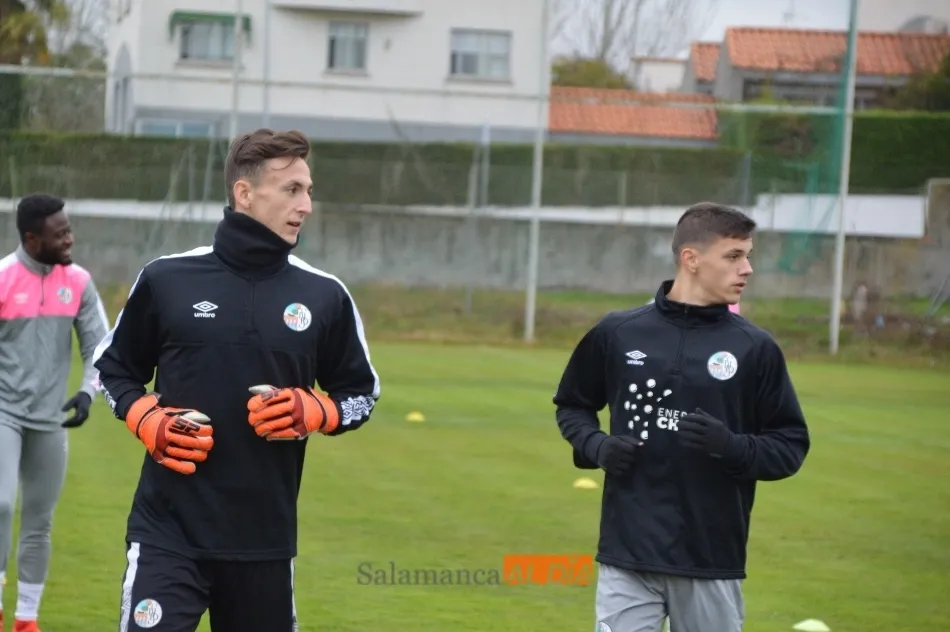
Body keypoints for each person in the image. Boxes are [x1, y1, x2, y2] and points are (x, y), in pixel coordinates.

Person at [92, 128, 381, 632]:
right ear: (244, 193)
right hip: (167, 534)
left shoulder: (325, 295)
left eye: (308, 190)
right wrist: (145, 418)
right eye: (292, 189)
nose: (306, 205)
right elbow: (111, 368)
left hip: (264, 544)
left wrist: (318, 411)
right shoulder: (167, 279)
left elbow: (362, 394)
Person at [553, 202, 810, 632]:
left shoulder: (755, 349)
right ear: (691, 259)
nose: (747, 268)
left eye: (748, 256)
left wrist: (732, 447)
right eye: (734, 256)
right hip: (628, 553)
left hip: (710, 558)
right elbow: (572, 404)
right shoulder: (619, 332)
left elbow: (790, 445)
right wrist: (596, 446)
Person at [0, 194, 110, 632]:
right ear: (32, 239)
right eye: (59, 233)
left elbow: (100, 347)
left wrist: (87, 393)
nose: (69, 239)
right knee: (1, 503)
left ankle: (26, 619)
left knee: (40, 519)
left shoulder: (79, 282)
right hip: (3, 412)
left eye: (69, 230)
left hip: (49, 420)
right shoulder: (4, 278)